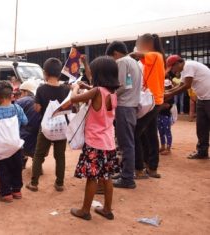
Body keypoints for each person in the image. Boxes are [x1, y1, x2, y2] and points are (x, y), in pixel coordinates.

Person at [70, 56, 120, 221]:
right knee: (106, 177)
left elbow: (74, 99)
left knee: (92, 177)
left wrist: (76, 87)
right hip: (108, 142)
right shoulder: (112, 92)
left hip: (94, 143)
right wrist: (86, 71)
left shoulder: (96, 91)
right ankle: (107, 209)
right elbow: (94, 84)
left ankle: (85, 210)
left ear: (99, 75)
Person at [26, 58, 70, 192]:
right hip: (61, 127)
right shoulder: (65, 89)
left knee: (39, 154)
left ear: (45, 73)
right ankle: (59, 183)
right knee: (60, 155)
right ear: (59, 73)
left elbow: (38, 109)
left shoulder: (41, 89)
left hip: (46, 127)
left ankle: (34, 183)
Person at [105, 41, 141, 189]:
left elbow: (120, 86)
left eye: (111, 58)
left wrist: (107, 95)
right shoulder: (133, 62)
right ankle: (125, 173)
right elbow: (128, 84)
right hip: (131, 106)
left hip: (124, 106)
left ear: (115, 54)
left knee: (126, 144)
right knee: (127, 143)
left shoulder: (121, 62)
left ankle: (127, 178)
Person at [129, 33, 165, 179]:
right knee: (149, 134)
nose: (137, 46)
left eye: (138, 43)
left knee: (134, 132)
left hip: (151, 101)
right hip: (152, 101)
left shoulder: (155, 55)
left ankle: (138, 169)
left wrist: (123, 57)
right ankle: (151, 167)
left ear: (147, 45)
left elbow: (135, 54)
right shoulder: (153, 58)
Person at [164, 55, 210, 159]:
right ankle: (202, 151)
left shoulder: (188, 66)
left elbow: (187, 85)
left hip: (208, 98)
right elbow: (181, 84)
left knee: (203, 127)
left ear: (178, 63)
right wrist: (167, 92)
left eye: (173, 68)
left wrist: (168, 94)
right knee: (201, 127)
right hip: (202, 99)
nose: (173, 71)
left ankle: (202, 150)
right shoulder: (185, 69)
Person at [0, 81, 28, 202]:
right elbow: (25, 122)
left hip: (1, 147)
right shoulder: (17, 108)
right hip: (16, 145)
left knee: (3, 170)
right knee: (17, 168)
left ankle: (6, 194)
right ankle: (17, 191)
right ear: (11, 95)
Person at [16, 80, 41, 169]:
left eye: (21, 92)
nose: (20, 94)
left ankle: (22, 162)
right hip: (39, 134)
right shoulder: (40, 100)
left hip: (24, 135)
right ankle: (37, 165)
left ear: (26, 91)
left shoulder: (20, 101)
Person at [158, 79, 174, 155]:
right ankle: (163, 146)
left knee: (167, 131)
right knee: (161, 132)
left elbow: (167, 106)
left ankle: (168, 148)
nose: (166, 88)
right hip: (159, 115)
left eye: (167, 87)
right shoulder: (161, 95)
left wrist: (159, 106)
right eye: (165, 87)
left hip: (166, 116)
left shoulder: (171, 97)